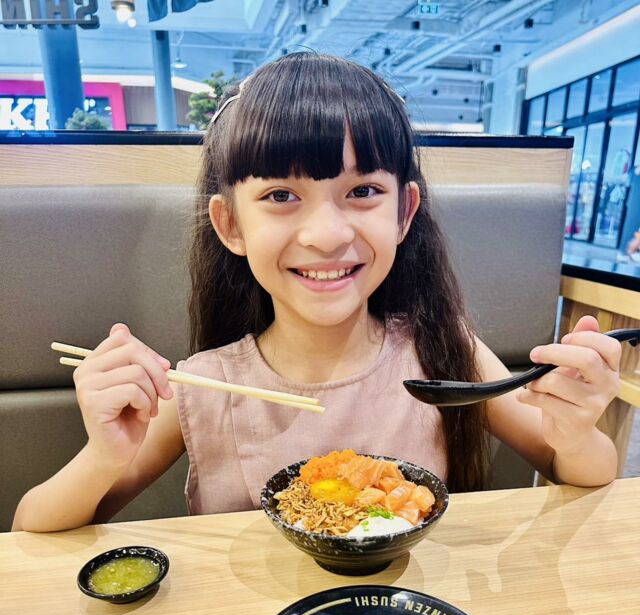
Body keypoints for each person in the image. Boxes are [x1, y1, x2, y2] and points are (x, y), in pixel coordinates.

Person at [12, 53, 622, 533]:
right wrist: (105, 455)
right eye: (280, 196)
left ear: (404, 212)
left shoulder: (443, 352)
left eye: (363, 192)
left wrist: (575, 432)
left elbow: (581, 474)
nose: (327, 234)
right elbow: (33, 529)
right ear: (230, 225)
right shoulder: (200, 384)